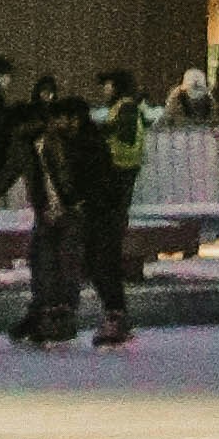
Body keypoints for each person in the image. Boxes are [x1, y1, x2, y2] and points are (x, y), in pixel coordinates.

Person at [8, 72, 82, 349]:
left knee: (62, 265)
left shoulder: (54, 144)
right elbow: (7, 174)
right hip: (48, 212)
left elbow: (63, 178)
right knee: (42, 264)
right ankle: (43, 317)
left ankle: (58, 320)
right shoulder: (30, 147)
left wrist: (65, 205)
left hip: (65, 213)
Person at [74, 68, 145, 347]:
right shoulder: (124, 107)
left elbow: (125, 138)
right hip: (116, 179)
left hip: (117, 176)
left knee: (105, 250)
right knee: (103, 251)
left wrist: (99, 135)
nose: (104, 90)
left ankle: (116, 314)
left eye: (106, 84)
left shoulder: (124, 108)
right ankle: (115, 313)